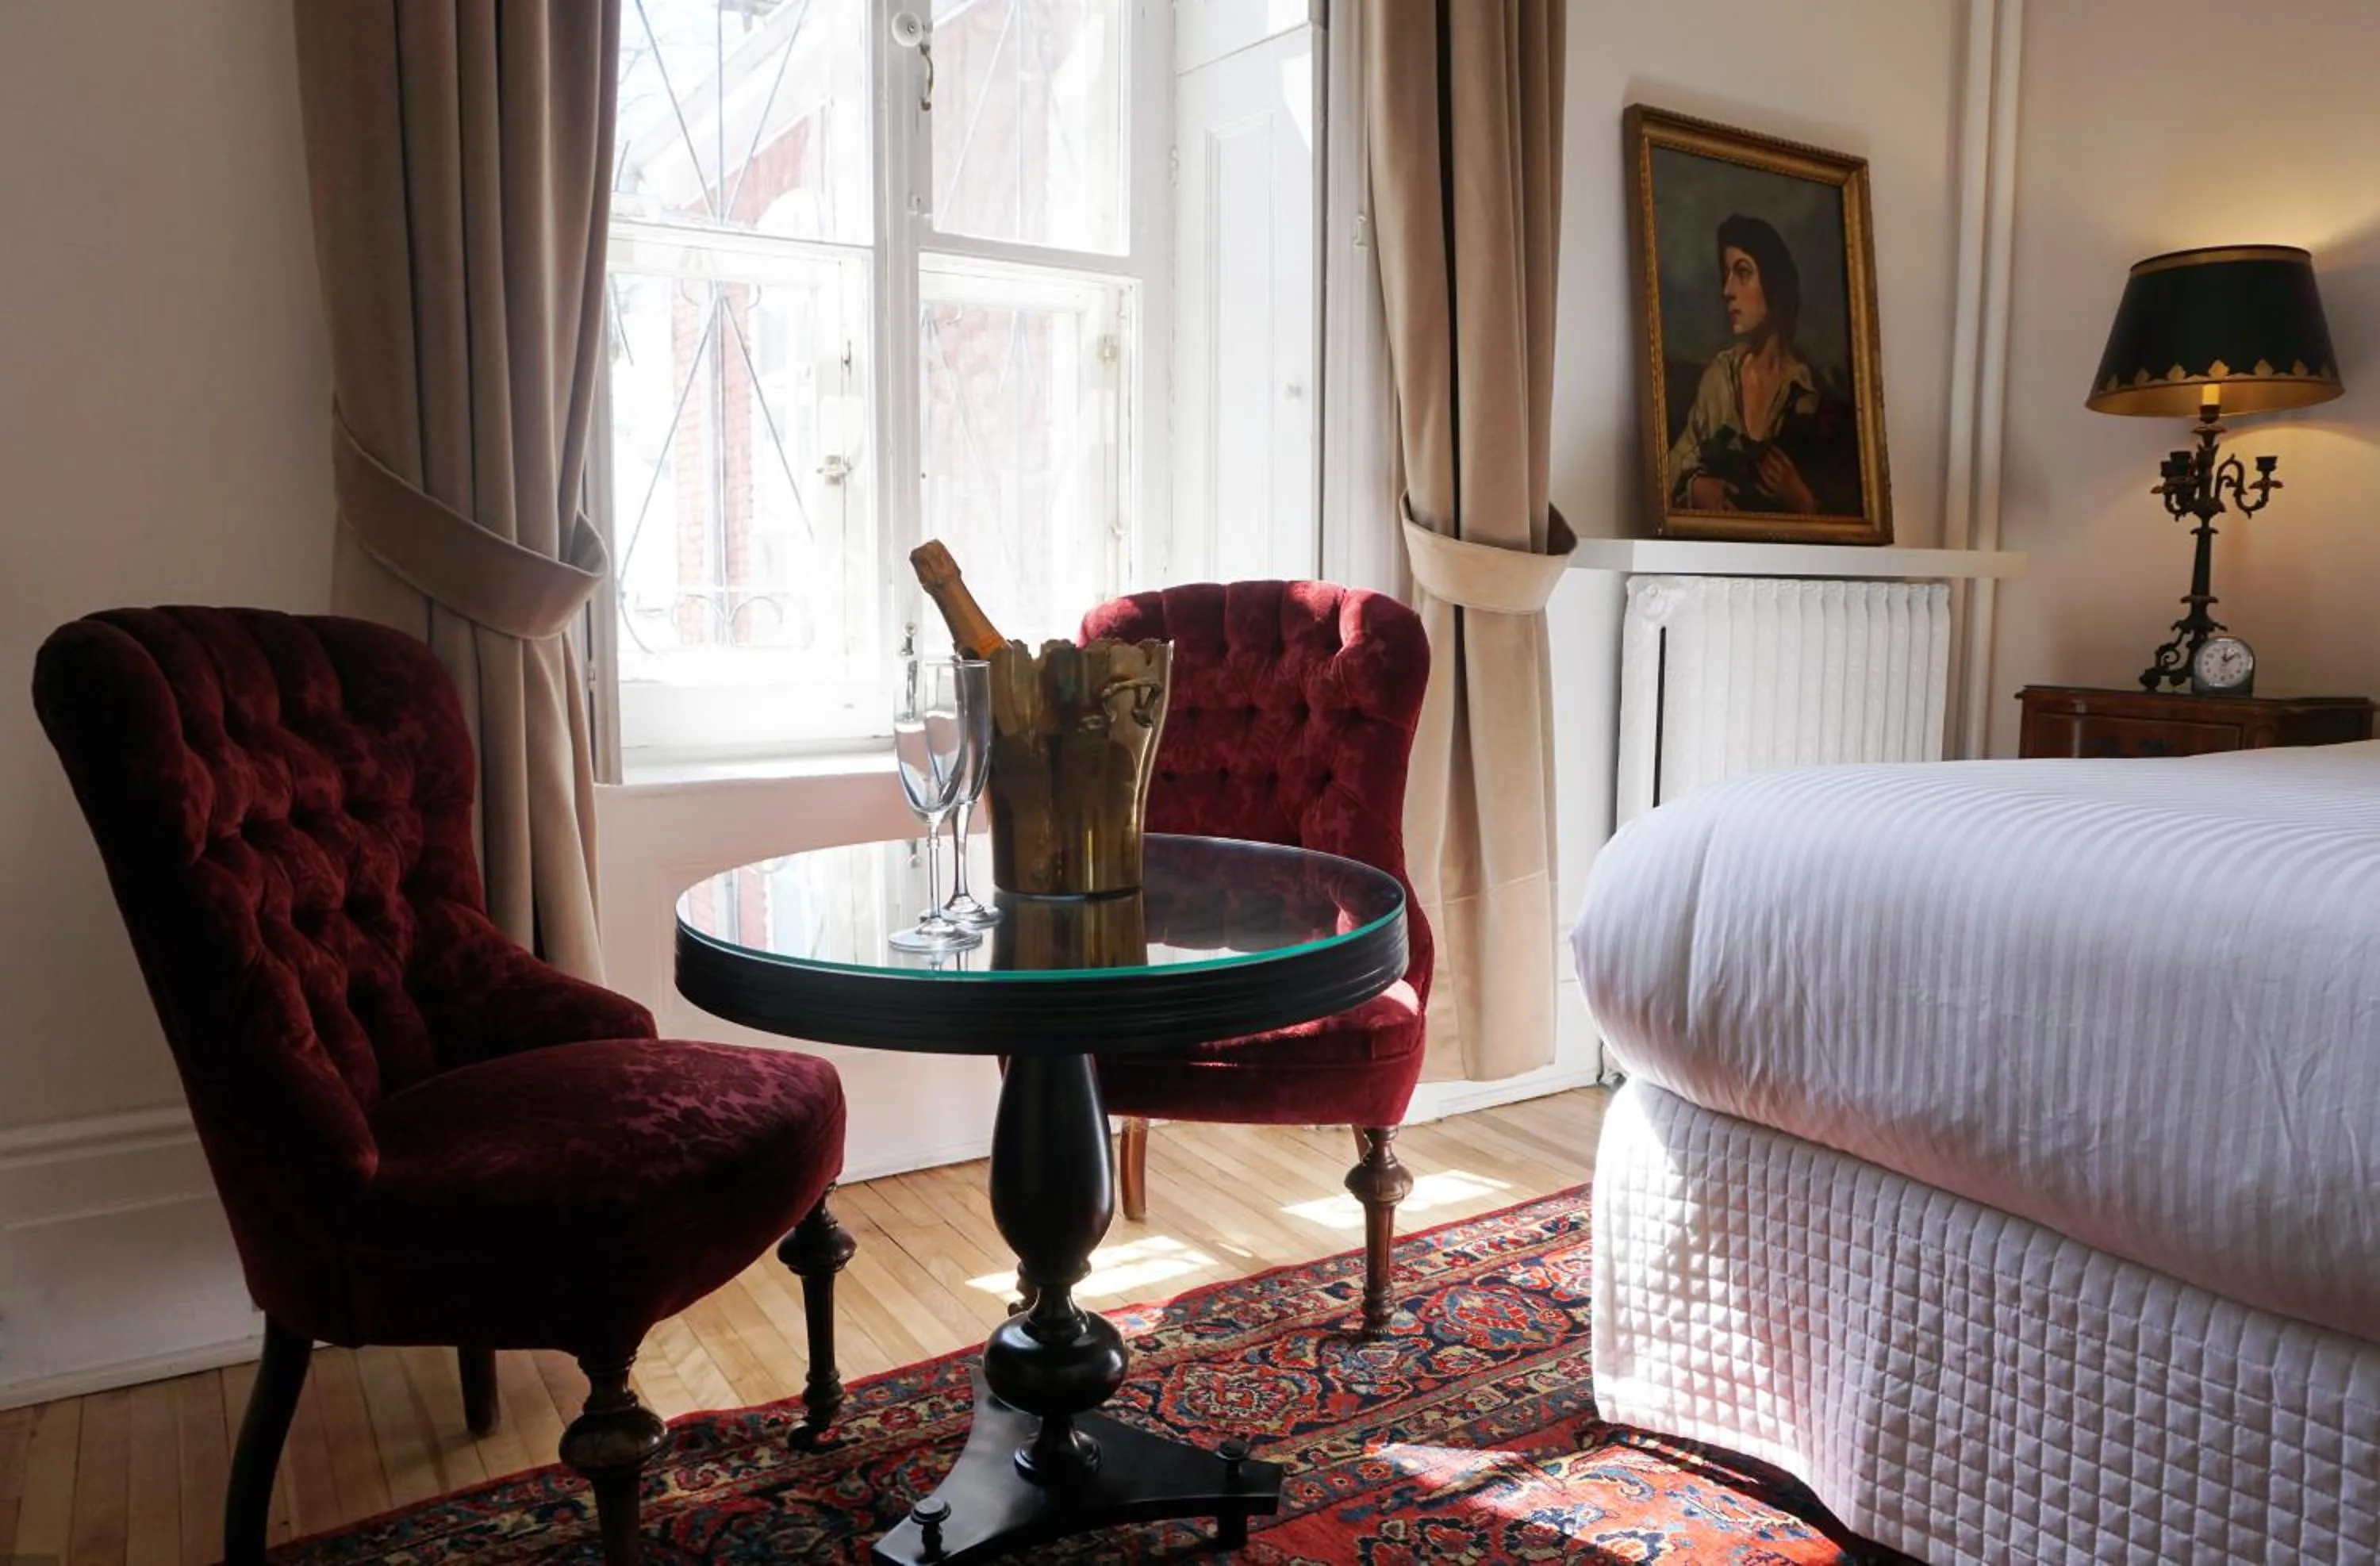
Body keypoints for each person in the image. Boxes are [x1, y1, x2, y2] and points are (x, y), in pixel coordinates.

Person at [1666, 213, 1859, 516]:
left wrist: (1801, 499)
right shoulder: (1721, 378)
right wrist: (1695, 487)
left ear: (1774, 283)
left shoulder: (1813, 394)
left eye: (1743, 273)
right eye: (1726, 274)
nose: (1727, 290)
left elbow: (1849, 510)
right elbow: (1670, 466)